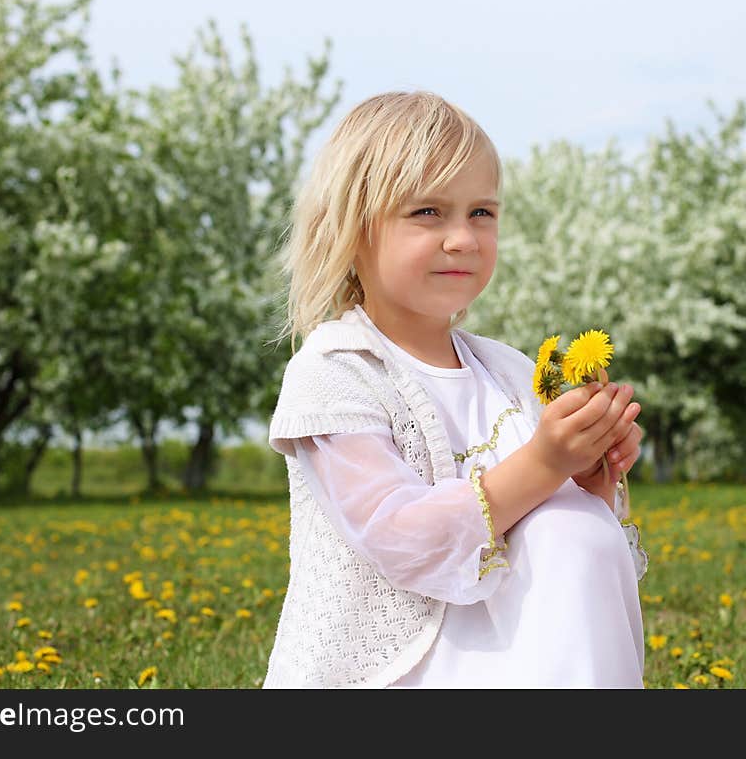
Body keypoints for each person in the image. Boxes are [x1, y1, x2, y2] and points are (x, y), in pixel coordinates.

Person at [261, 90, 649, 689]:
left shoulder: (507, 369)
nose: (463, 238)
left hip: (520, 653)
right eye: (427, 213)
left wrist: (589, 480)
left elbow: (548, 535)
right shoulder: (337, 373)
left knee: (575, 528)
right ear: (351, 232)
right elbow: (400, 537)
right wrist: (544, 463)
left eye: (481, 213)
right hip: (402, 667)